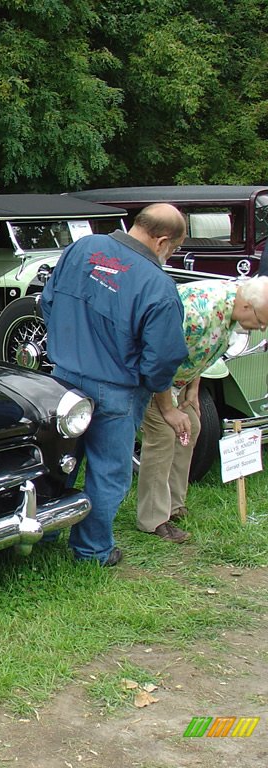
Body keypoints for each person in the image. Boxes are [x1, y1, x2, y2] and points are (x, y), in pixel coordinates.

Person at [40, 203, 190, 566]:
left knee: (60, 462)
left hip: (63, 381)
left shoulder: (81, 248)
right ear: (162, 241)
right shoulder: (158, 285)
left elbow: (47, 301)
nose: (168, 256)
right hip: (117, 389)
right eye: (171, 250)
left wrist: (68, 345)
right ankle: (93, 551)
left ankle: (45, 534)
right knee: (108, 473)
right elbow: (164, 357)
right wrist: (151, 387)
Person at [137, 276, 268, 541]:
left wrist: (192, 389)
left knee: (192, 426)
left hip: (175, 377)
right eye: (262, 320)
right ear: (246, 308)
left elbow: (203, 351)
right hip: (149, 375)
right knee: (163, 434)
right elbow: (160, 359)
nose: (262, 327)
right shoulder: (201, 313)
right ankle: (153, 519)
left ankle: (174, 505)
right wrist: (168, 409)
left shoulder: (233, 306)